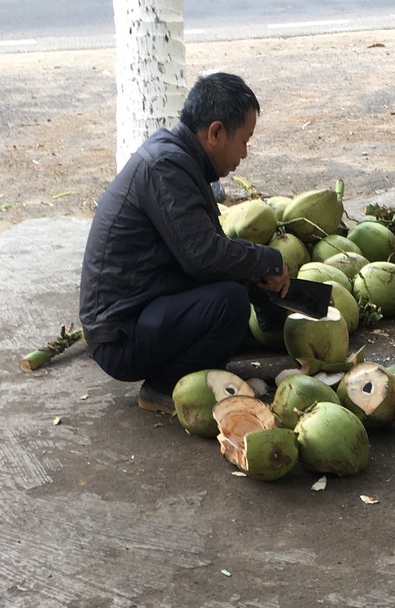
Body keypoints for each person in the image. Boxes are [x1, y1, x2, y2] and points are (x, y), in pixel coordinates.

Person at [79, 72, 290, 412]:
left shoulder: (178, 158)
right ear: (216, 133)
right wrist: (269, 260)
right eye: (245, 140)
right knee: (229, 301)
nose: (245, 153)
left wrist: (261, 283)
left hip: (142, 311)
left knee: (236, 277)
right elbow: (203, 257)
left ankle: (212, 355)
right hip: (120, 338)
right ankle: (164, 387)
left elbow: (210, 250)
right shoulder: (166, 166)